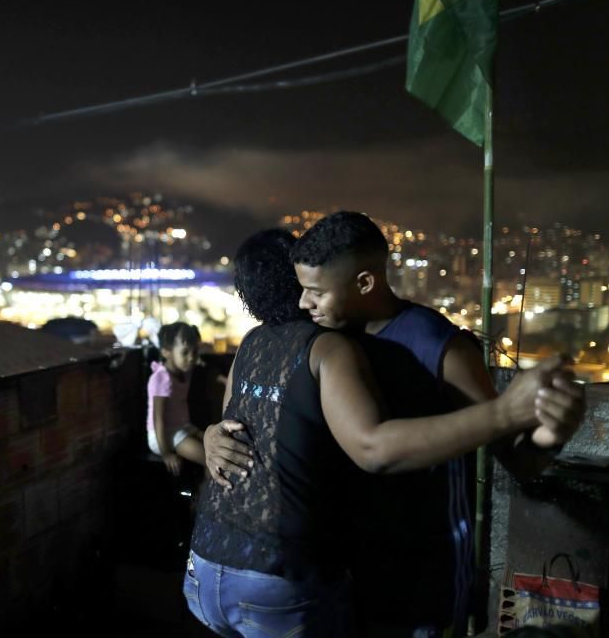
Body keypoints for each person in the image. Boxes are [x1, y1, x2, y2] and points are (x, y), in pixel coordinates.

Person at [203, 212, 586, 637]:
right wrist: (213, 435)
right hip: (342, 568)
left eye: (315, 291)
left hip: (419, 571)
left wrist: (548, 433)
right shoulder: (323, 341)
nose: (301, 303)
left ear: (365, 282)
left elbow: (519, 459)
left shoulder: (439, 346)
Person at [147, 322, 206, 475]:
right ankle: (209, 496)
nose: (191, 358)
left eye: (195, 352)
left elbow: (206, 369)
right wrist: (166, 453)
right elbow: (157, 419)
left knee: (212, 441)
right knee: (209, 458)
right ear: (167, 352)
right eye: (185, 352)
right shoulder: (161, 378)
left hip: (183, 426)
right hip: (163, 434)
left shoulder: (184, 371)